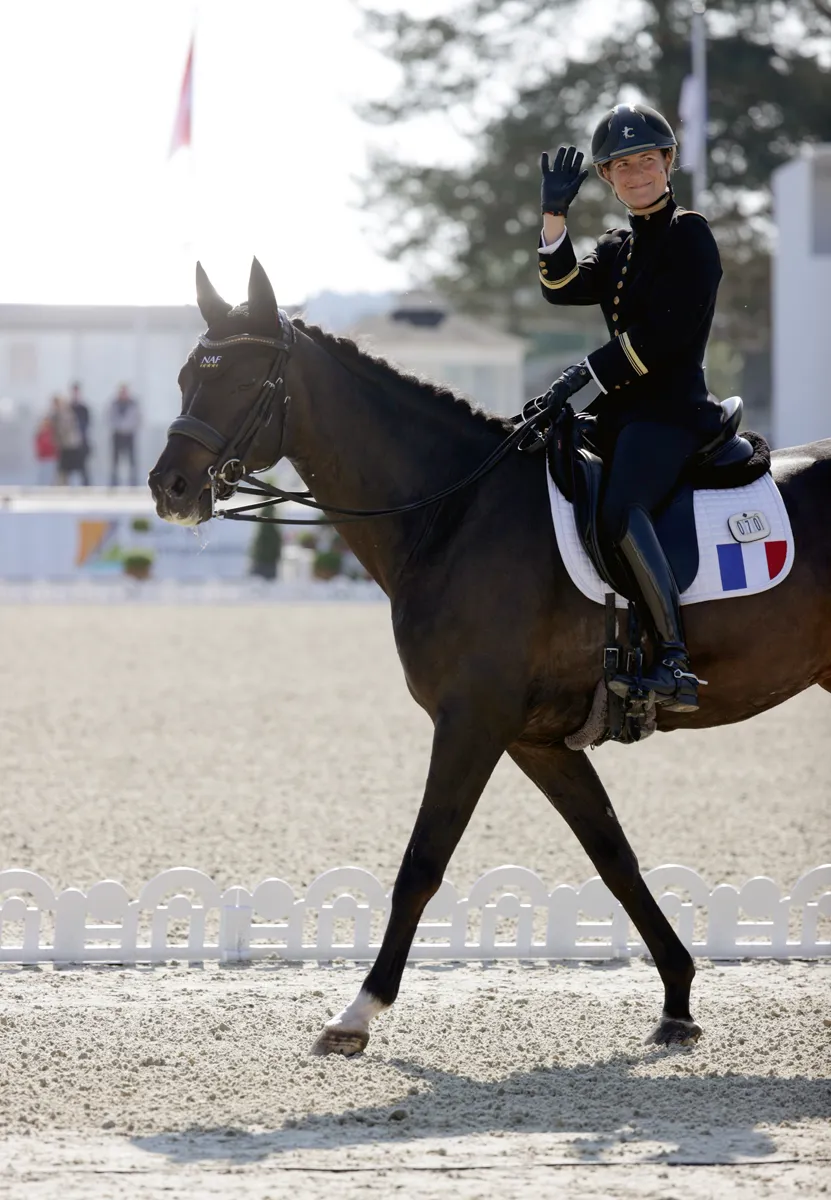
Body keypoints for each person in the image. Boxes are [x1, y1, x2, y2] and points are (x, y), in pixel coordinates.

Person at [535, 103, 724, 713]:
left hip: (670, 412)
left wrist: (585, 372)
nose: (638, 172)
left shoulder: (688, 234)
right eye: (623, 165)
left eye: (648, 159)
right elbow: (560, 289)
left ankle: (674, 658)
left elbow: (665, 338)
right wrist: (554, 217)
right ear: (608, 177)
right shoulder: (621, 244)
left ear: (668, 163)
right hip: (622, 413)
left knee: (620, 512)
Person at [108, 383, 141, 486]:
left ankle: (133, 482)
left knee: (132, 460)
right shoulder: (114, 404)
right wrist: (117, 426)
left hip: (129, 434)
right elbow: (109, 417)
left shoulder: (133, 404)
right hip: (117, 434)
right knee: (115, 461)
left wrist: (130, 426)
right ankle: (114, 482)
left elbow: (138, 418)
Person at [51, 394, 86, 486]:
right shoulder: (58, 414)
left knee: (69, 468)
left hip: (70, 445)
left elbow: (64, 429)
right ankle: (63, 484)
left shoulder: (65, 414)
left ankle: (71, 485)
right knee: (64, 468)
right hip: (65, 445)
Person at [68, 382, 91, 485]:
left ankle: (86, 487)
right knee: (68, 468)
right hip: (68, 443)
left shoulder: (84, 409)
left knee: (83, 468)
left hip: (81, 442)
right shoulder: (68, 408)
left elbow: (87, 425)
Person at [34, 409, 57, 485]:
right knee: (42, 475)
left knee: (51, 475)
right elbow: (37, 444)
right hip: (43, 458)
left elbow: (56, 444)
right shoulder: (40, 433)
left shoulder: (52, 432)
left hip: (52, 457)